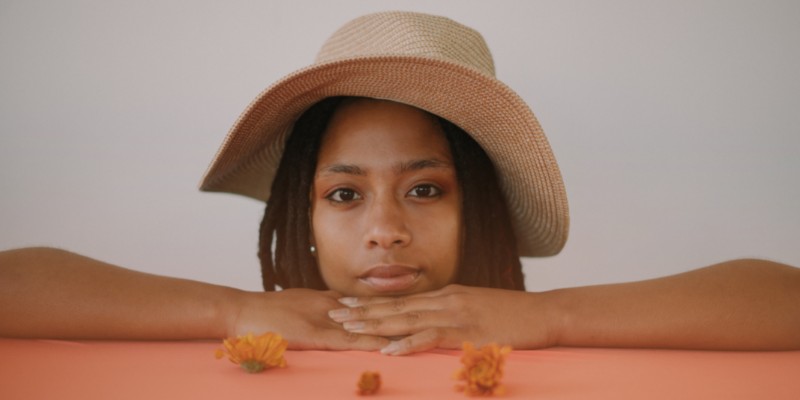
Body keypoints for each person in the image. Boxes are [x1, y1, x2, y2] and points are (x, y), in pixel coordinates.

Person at [1, 11, 798, 355]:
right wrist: (230, 308)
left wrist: (548, 318)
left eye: (425, 190)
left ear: (479, 202)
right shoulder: (248, 327)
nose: (384, 229)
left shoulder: (547, 331)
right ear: (301, 211)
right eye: (345, 194)